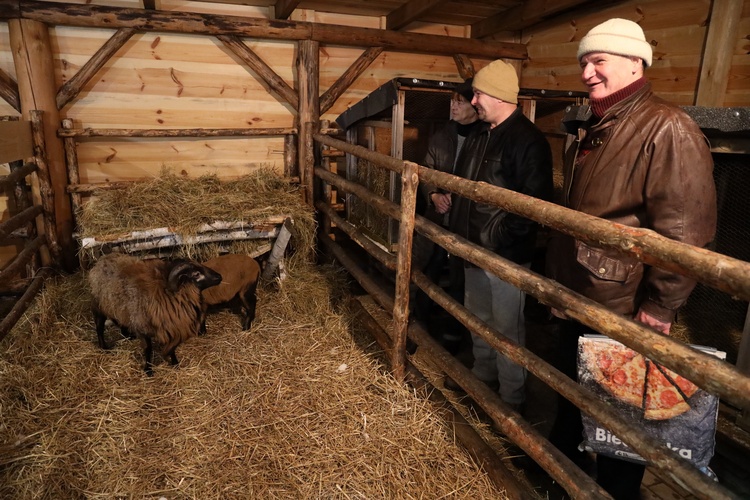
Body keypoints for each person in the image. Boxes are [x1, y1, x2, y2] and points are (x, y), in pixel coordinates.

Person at [545, 18, 717, 499]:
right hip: (581, 289)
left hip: (620, 300)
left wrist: (661, 306)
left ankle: (615, 493)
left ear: (634, 62)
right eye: (584, 62)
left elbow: (684, 232)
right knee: (573, 399)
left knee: (619, 420)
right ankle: (564, 482)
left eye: (598, 61)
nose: (588, 73)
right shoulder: (595, 124)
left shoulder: (668, 128)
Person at [447, 60, 554, 412]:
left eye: (477, 94)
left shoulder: (528, 141)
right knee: (479, 320)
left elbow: (533, 205)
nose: (473, 101)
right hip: (472, 249)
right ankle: (483, 376)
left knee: (508, 330)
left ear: (498, 95)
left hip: (503, 255)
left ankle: (512, 400)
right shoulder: (480, 134)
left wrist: (495, 238)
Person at [415, 79, 481, 352]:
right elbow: (427, 168)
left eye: (459, 102)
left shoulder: (483, 138)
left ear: (474, 106)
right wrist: (433, 195)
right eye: (451, 101)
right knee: (424, 267)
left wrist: (461, 200)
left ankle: (454, 335)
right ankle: (417, 325)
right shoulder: (443, 135)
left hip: (465, 221)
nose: (453, 106)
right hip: (437, 215)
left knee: (459, 278)